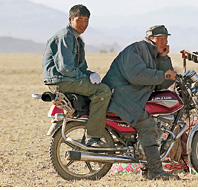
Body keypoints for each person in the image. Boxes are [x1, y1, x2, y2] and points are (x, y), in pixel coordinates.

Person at [102, 25, 178, 180]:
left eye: (166, 39)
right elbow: (137, 75)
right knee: (148, 126)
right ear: (151, 38)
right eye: (161, 39)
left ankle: (146, 166)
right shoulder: (136, 49)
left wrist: (164, 58)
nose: (164, 42)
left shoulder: (154, 54)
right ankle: (155, 171)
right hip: (122, 97)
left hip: (132, 97)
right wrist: (163, 74)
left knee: (153, 120)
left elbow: (162, 83)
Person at [42, 4, 112, 147]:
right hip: (61, 80)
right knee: (103, 91)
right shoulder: (65, 36)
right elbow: (66, 68)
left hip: (66, 78)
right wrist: (86, 78)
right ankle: (93, 138)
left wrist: (91, 74)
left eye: (86, 20)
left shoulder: (77, 40)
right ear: (70, 20)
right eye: (79, 20)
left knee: (99, 86)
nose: (83, 24)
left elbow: (81, 67)